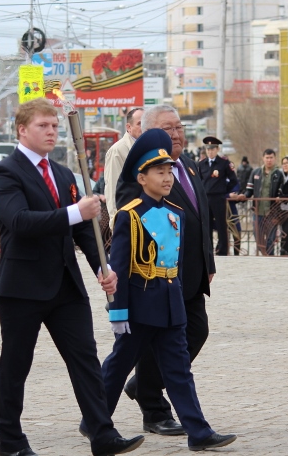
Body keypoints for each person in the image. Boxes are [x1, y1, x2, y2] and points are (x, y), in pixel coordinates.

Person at [0, 98, 144, 456]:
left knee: (85, 359)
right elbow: (20, 221)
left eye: (55, 126)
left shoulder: (62, 174)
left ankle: (103, 435)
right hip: (22, 286)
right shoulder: (5, 173)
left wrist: (103, 268)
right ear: (22, 130)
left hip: (65, 286)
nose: (51, 132)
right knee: (16, 364)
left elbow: (84, 233)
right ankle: (11, 442)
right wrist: (75, 211)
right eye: (43, 126)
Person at [91, 128, 236, 451]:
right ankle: (94, 420)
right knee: (117, 368)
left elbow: (177, 265)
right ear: (141, 178)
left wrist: (180, 303)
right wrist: (118, 311)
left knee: (179, 372)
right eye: (159, 172)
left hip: (170, 304)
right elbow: (121, 267)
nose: (167, 177)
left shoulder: (176, 214)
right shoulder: (130, 216)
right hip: (140, 306)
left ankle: (198, 432)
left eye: (169, 170)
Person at [115, 104, 215, 438]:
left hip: (187, 277)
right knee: (135, 353)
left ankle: (144, 388)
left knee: (195, 335)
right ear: (148, 132)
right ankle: (149, 409)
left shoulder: (186, 165)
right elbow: (129, 233)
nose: (175, 134)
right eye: (166, 129)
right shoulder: (139, 178)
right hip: (150, 284)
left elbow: (200, 218)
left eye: (179, 127)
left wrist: (207, 264)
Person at [234, 149, 283, 255]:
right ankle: (265, 255)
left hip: (272, 212)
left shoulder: (279, 174)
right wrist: (244, 195)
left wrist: (278, 213)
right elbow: (249, 190)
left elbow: (282, 193)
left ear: (275, 159)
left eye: (271, 158)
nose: (269, 160)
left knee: (271, 239)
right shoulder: (256, 172)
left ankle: (270, 259)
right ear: (263, 158)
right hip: (258, 211)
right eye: (267, 158)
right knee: (258, 237)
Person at [198, 136, 237, 256]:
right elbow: (198, 180)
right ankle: (208, 249)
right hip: (205, 198)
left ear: (217, 149)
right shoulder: (201, 164)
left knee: (221, 225)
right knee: (206, 225)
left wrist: (226, 191)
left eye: (212, 149)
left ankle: (222, 250)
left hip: (218, 198)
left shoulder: (224, 163)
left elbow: (233, 180)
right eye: (208, 149)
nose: (210, 152)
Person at [104, 107, 143, 227]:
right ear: (128, 127)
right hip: (128, 222)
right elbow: (112, 191)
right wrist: (116, 224)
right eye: (139, 123)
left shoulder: (149, 147)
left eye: (146, 123)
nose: (144, 127)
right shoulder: (118, 150)